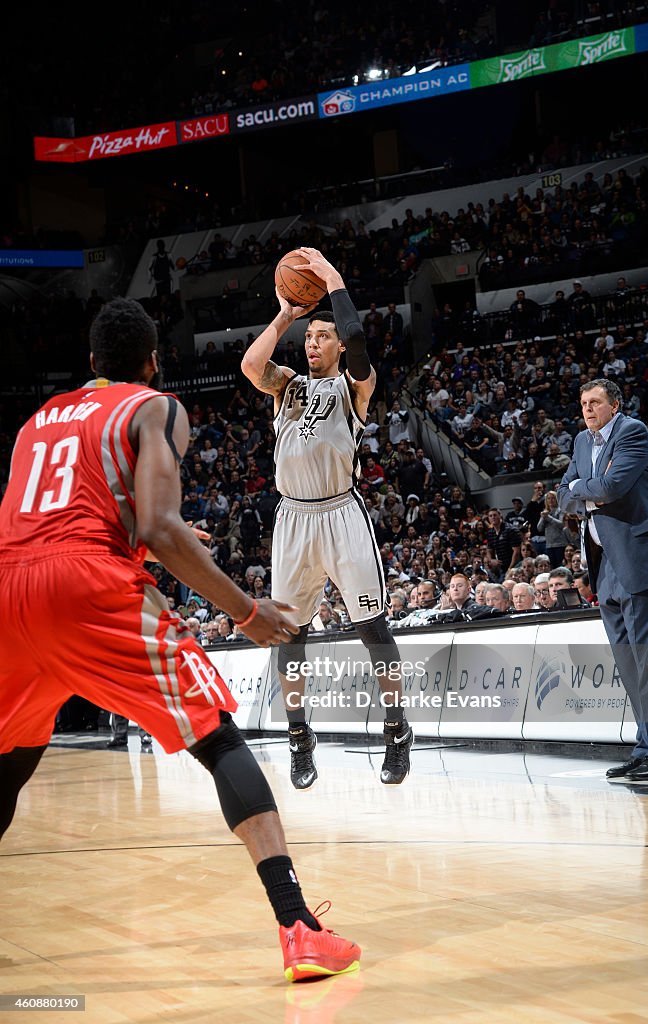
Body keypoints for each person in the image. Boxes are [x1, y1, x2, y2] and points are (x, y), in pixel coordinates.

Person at [0, 297, 360, 983]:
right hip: (87, 589)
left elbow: (53, 523)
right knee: (216, 735)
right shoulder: (152, 406)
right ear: (152, 361)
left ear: (90, 364)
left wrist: (151, 543)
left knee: (11, 757)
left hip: (7, 588)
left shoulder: (36, 420)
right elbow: (159, 528)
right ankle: (298, 927)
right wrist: (248, 611)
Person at [241, 247, 412, 791]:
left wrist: (334, 279)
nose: (312, 343)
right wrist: (285, 315)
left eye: (321, 336)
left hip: (341, 514)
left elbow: (359, 340)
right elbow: (250, 366)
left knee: (372, 627)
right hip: (293, 520)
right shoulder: (286, 384)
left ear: (337, 344)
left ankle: (396, 730)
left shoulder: (354, 385)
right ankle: (298, 736)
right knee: (289, 636)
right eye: (308, 337)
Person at [558, 378, 648, 783]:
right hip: (604, 564)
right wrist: (583, 488)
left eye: (595, 402)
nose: (588, 409)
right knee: (628, 665)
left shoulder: (633, 431)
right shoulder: (580, 441)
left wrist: (584, 488)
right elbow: (562, 494)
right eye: (583, 403)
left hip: (639, 559)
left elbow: (613, 486)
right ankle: (646, 748)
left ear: (615, 404)